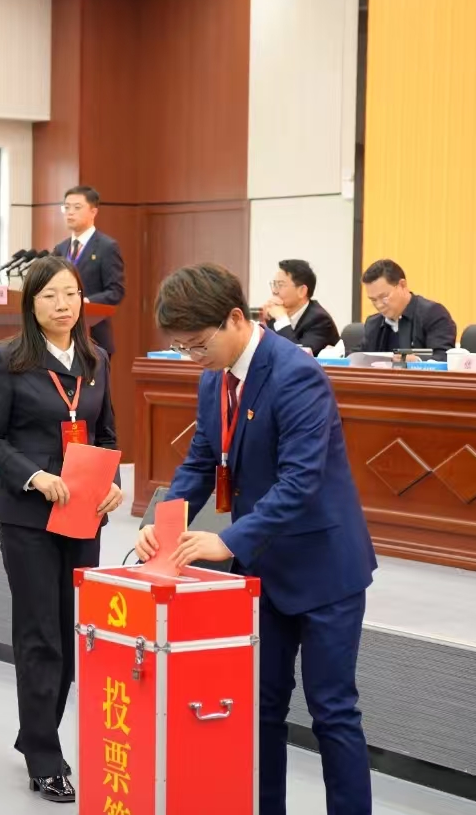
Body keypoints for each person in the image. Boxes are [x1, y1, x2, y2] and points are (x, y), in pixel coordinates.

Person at [138, 262, 376, 815]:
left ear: (235, 318)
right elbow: (201, 460)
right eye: (181, 348)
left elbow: (300, 481)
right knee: (259, 709)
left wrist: (228, 542)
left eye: (198, 344)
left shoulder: (296, 374)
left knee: (333, 712)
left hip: (323, 568)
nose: (191, 357)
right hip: (261, 570)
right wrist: (164, 523)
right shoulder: (213, 377)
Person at [0, 255, 123, 804]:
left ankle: (37, 730)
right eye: (50, 296)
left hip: (84, 514)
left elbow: (105, 435)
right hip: (30, 517)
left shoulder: (96, 358)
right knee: (39, 634)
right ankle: (44, 754)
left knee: (70, 631)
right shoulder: (7, 359)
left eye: (72, 294)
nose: (64, 305)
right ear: (31, 304)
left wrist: (113, 483)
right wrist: (33, 476)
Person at [51, 186, 125, 356]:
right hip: (61, 337)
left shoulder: (107, 247)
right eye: (66, 207)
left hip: (94, 336)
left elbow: (116, 291)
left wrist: (86, 301)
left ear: (93, 212)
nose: (70, 213)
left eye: (77, 207)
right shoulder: (61, 248)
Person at [358, 259, 456, 361]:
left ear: (402, 285)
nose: (379, 305)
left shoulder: (433, 314)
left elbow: (444, 357)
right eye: (373, 300)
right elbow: (360, 358)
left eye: (384, 297)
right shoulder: (373, 324)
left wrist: (416, 361)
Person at [258, 258, 341, 354]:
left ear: (302, 291)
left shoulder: (320, 321)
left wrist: (281, 319)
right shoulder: (273, 316)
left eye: (280, 285)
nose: (274, 291)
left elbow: (297, 357)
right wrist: (262, 324)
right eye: (274, 284)